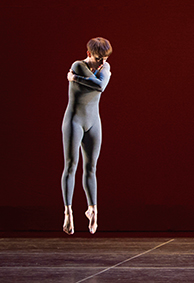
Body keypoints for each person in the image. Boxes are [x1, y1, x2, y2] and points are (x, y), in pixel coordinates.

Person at [61, 37, 112, 235]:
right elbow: (97, 83)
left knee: (91, 167)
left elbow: (100, 86)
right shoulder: (78, 65)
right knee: (71, 165)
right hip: (74, 121)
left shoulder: (104, 68)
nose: (102, 63)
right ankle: (68, 211)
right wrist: (81, 77)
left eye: (105, 59)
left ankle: (93, 209)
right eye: (99, 58)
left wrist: (74, 79)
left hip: (93, 123)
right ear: (89, 54)